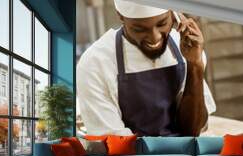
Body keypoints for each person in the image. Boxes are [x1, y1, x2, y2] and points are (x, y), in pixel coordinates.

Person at [77, 0, 216, 137]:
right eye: (139, 29)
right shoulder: (95, 62)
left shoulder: (186, 46)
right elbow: (114, 143)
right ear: (120, 15)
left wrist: (195, 65)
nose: (154, 38)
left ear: (174, 15)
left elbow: (192, 131)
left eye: (162, 24)